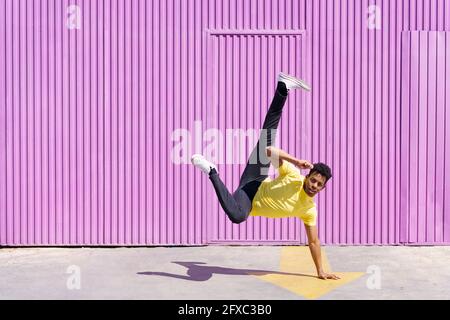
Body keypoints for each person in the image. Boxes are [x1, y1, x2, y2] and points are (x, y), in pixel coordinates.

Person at [191, 73, 340, 280]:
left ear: (323, 188)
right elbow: (268, 151)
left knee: (238, 215)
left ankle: (212, 170)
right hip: (254, 181)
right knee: (268, 134)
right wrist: (296, 161)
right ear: (308, 176)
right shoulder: (295, 176)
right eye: (313, 179)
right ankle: (283, 87)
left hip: (248, 201)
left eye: (319, 184)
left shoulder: (309, 210)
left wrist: (320, 271)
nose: (314, 185)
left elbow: (313, 242)